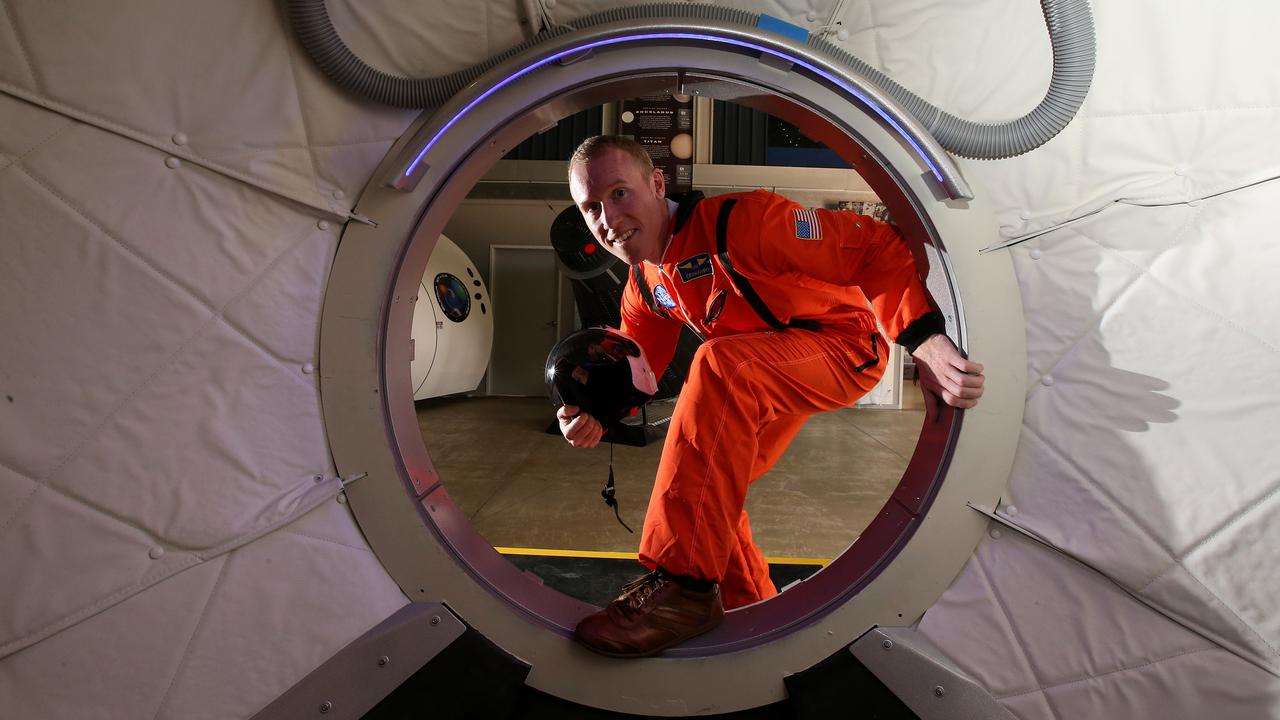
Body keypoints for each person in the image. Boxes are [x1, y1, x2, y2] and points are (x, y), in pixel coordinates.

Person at [556, 135, 984, 657]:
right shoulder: (644, 284)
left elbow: (873, 247)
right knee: (709, 482)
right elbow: (635, 367)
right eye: (591, 207)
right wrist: (594, 413)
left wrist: (923, 338)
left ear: (658, 184)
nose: (608, 219)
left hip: (845, 345)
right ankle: (749, 609)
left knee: (718, 364)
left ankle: (683, 588)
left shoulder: (744, 223)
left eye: (620, 194)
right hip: (757, 371)